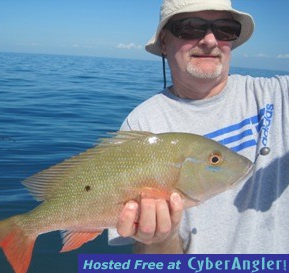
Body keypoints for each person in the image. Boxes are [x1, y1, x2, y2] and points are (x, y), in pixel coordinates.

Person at [108, 0, 289, 253]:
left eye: (225, 28)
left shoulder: (279, 95)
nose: (210, 40)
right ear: (163, 42)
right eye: (190, 27)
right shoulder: (141, 123)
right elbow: (156, 267)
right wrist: (161, 238)